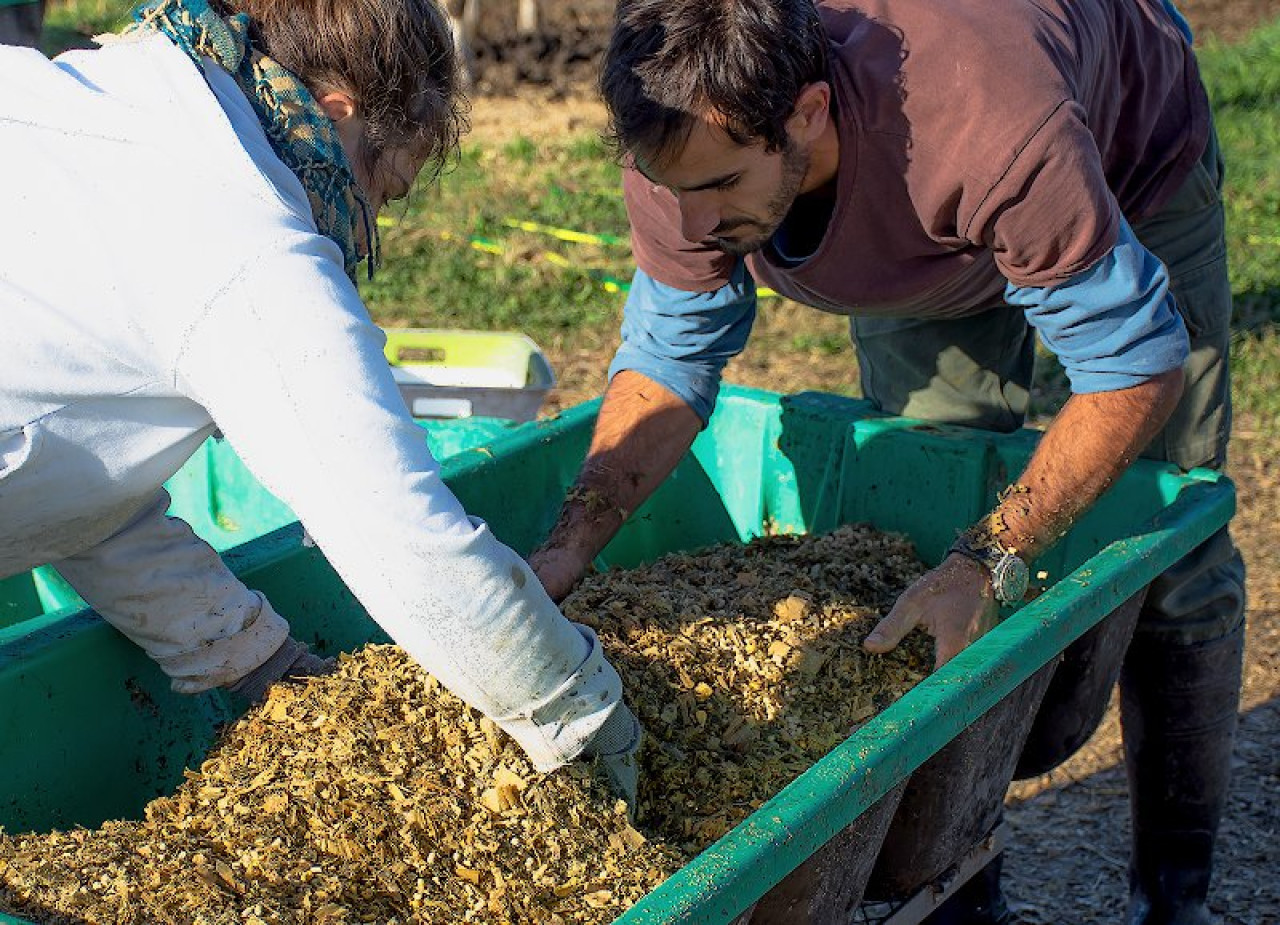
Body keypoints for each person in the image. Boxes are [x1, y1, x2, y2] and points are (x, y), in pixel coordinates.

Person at [528, 0, 1245, 920]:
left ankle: (1172, 898)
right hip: (930, 219)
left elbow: (1138, 366)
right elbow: (668, 358)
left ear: (810, 112)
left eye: (723, 184)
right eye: (674, 188)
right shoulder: (680, 139)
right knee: (925, 552)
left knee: (1170, 544)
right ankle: (952, 882)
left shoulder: (985, 123)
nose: (695, 222)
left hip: (1121, 155)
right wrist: (570, 543)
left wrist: (993, 554)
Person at [0, 0, 640, 801]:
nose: (365, 220)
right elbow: (404, 536)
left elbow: (69, 462)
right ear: (339, 114)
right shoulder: (247, 238)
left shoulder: (112, 89)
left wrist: (261, 661)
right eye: (381, 186)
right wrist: (577, 708)